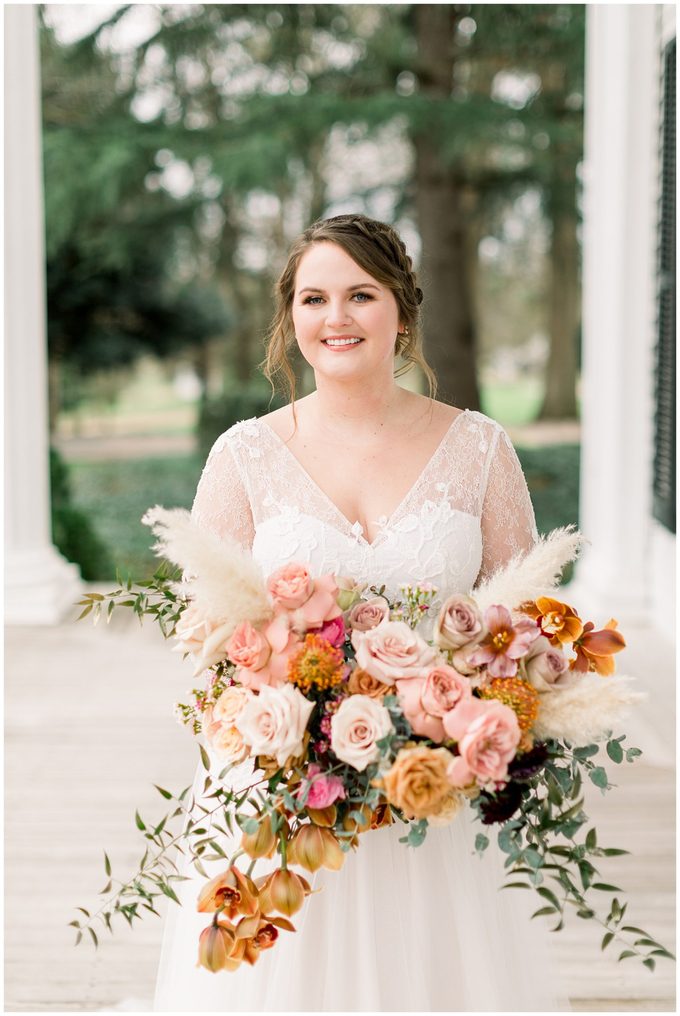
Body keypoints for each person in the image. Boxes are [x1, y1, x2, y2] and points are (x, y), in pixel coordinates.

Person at [153, 213, 569, 1011]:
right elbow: (206, 636)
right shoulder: (244, 456)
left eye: (360, 295)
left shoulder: (479, 448)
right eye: (314, 298)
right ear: (291, 319)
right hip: (285, 796)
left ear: (402, 313)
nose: (335, 318)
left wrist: (459, 715)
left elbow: (522, 623)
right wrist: (293, 718)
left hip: (435, 789)